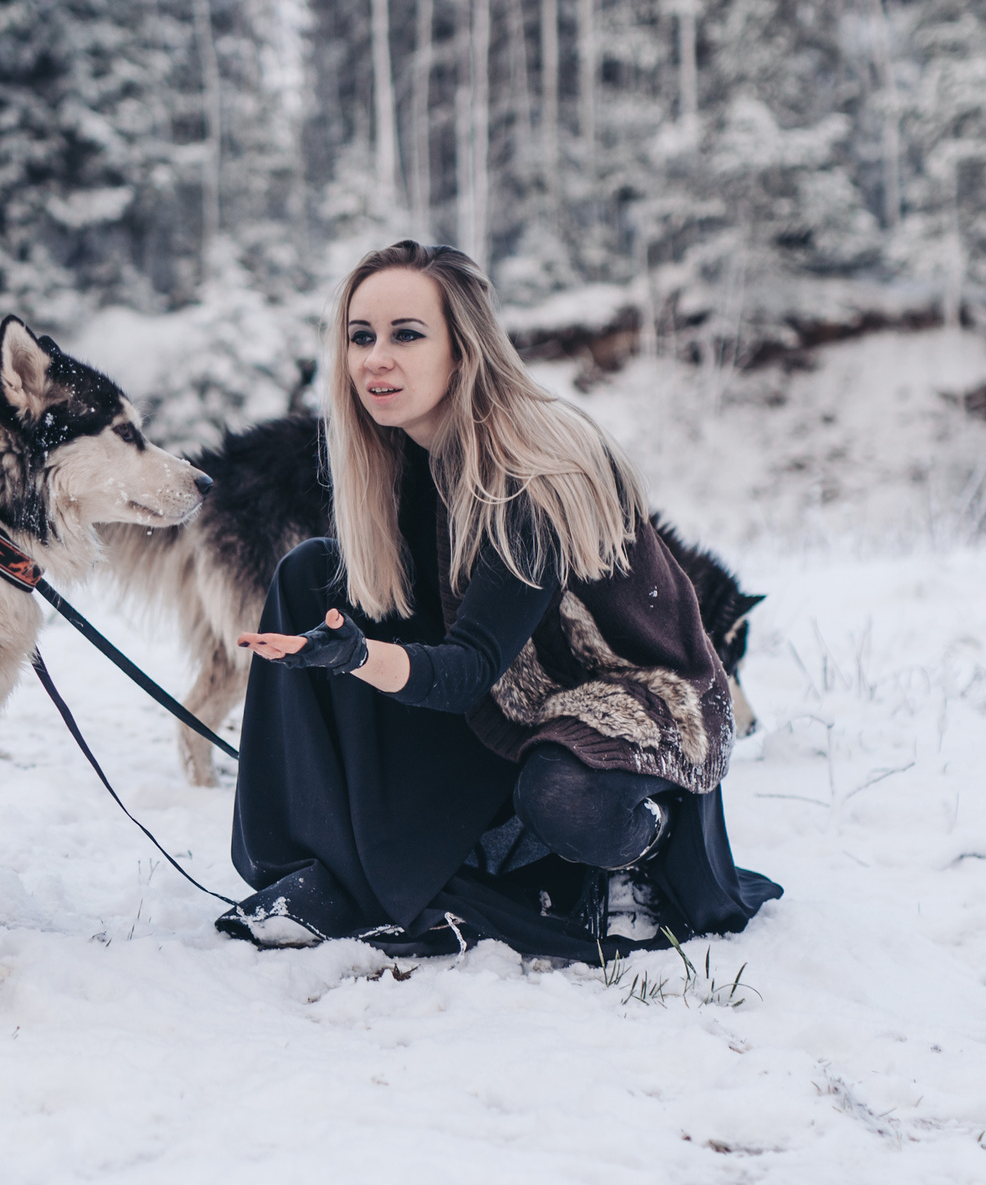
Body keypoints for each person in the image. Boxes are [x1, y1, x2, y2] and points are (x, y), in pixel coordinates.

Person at [220, 241, 780, 960]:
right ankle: (327, 868)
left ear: (465, 348)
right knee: (313, 574)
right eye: (361, 336)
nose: (375, 359)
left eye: (406, 334)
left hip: (632, 700)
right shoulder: (401, 452)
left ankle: (642, 848)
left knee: (565, 802)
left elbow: (465, 670)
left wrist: (361, 655)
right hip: (521, 692)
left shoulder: (529, 470)